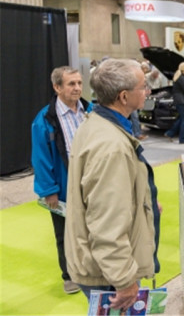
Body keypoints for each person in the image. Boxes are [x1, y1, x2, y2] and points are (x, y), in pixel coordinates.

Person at [64, 58, 161, 310]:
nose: (147, 91)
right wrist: (124, 279)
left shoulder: (98, 123)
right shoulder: (112, 147)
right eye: (142, 87)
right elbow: (106, 222)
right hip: (106, 273)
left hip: (100, 265)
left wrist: (145, 202)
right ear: (124, 96)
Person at [31, 66, 93, 295]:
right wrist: (49, 190)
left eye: (79, 83)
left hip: (92, 183)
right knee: (65, 232)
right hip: (64, 186)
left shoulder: (91, 111)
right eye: (71, 84)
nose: (77, 88)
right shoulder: (44, 120)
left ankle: (92, 267)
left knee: (94, 227)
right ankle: (69, 276)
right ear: (57, 87)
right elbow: (40, 158)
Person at [164, 62, 184, 144]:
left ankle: (169, 133)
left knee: (181, 118)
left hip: (178, 100)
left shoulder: (177, 76)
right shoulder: (181, 78)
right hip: (182, 101)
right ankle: (182, 139)